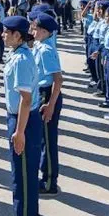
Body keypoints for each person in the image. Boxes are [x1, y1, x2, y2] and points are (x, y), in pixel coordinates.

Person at [1, 16, 43, 216]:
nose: (2, 35)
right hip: (18, 118)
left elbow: (26, 100)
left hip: (23, 121)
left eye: (6, 32)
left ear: (17, 36)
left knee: (25, 174)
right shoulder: (17, 54)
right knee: (19, 173)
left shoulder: (22, 60)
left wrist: (19, 132)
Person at [31, 13, 63, 197]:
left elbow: (58, 80)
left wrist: (50, 104)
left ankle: (50, 181)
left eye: (35, 29)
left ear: (44, 31)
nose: (32, 31)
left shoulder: (46, 51)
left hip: (48, 94)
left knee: (48, 140)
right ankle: (45, 176)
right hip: (42, 93)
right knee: (43, 139)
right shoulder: (40, 46)